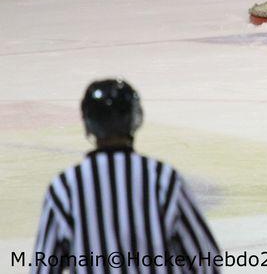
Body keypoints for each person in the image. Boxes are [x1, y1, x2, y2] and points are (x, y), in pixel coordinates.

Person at [32, 79, 220, 272]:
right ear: (135, 119)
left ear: (88, 124)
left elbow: (43, 268)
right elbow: (206, 261)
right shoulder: (163, 180)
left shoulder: (65, 187)